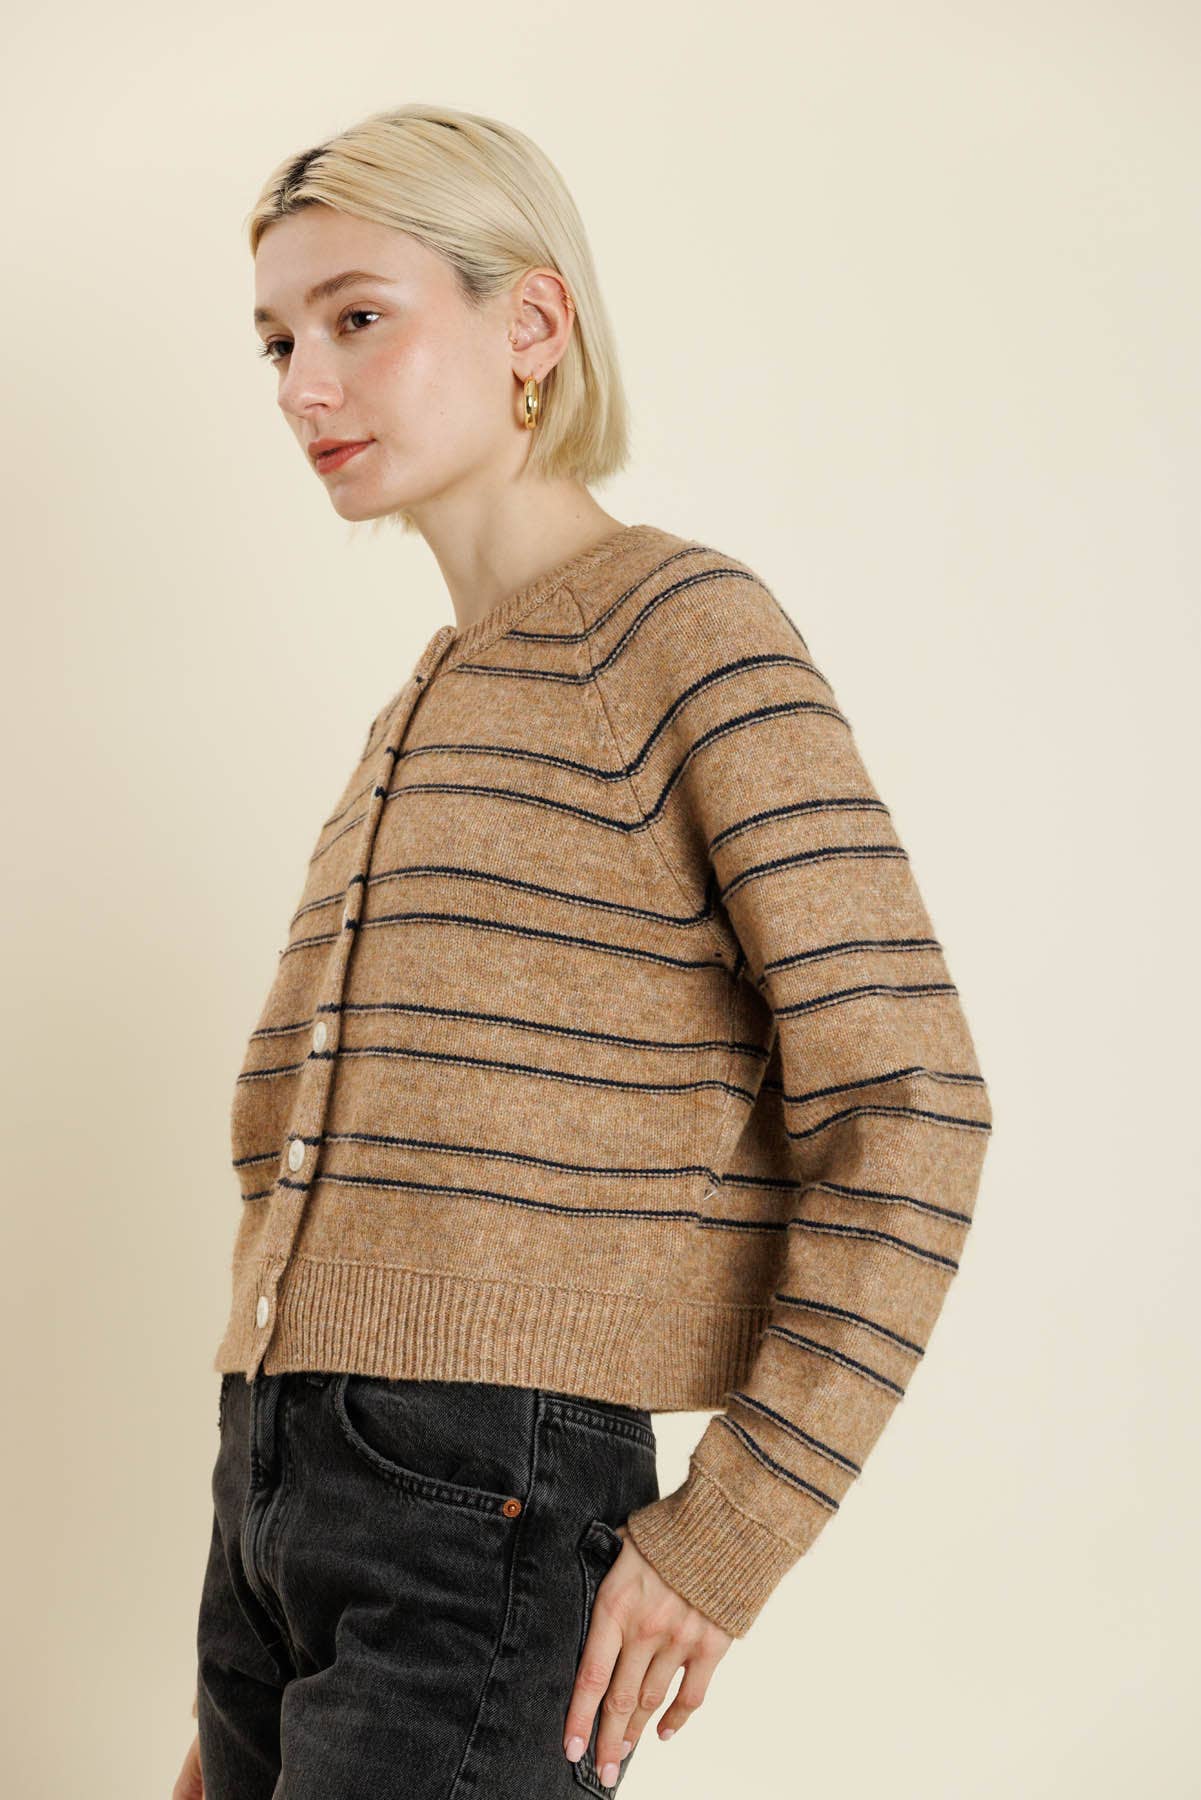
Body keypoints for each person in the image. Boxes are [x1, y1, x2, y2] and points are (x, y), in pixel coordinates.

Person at [176, 103, 993, 1800]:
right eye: (275, 342)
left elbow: (909, 1100)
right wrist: (247, 1657)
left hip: (482, 1501)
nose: (302, 386)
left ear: (530, 323)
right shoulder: (422, 703)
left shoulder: (684, 634)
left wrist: (731, 1531)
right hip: (277, 1498)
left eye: (356, 318)